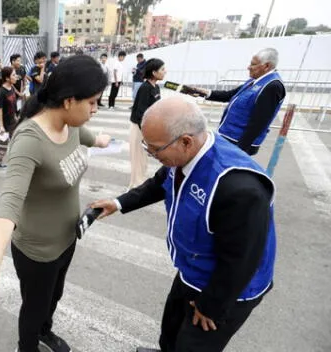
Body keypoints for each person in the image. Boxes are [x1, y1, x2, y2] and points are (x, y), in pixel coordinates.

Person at [0, 55, 112, 352]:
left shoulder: (73, 125)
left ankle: (44, 332)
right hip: (37, 251)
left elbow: (94, 139)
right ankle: (26, 346)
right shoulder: (30, 139)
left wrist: (117, 139)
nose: (95, 109)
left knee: (54, 297)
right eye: (92, 102)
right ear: (69, 100)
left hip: (67, 239)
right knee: (34, 306)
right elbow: (8, 204)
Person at [89, 97, 276, 352]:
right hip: (193, 267)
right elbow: (159, 183)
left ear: (186, 141)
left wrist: (211, 306)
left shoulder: (239, 188)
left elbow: (241, 260)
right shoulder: (183, 156)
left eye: (154, 149)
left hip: (226, 287)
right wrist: (118, 203)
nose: (152, 155)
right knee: (170, 331)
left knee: (192, 345)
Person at [194, 48, 285, 156]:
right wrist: (204, 93)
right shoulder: (256, 79)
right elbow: (230, 94)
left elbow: (258, 123)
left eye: (253, 64)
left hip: (238, 143)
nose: (248, 67)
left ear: (266, 66)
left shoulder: (272, 86)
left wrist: (240, 151)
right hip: (228, 136)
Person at [129, 58, 165, 189]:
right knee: (138, 158)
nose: (165, 72)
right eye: (162, 69)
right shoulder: (145, 88)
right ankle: (135, 186)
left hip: (146, 127)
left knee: (143, 159)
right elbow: (140, 113)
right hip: (139, 127)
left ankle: (139, 182)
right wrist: (145, 132)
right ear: (154, 73)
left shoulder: (156, 88)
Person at [0, 67, 18, 169]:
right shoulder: (1, 92)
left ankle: (15, 161)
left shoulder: (11, 87)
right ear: (7, 78)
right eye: (13, 75)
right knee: (2, 145)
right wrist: (1, 126)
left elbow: (13, 104)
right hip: (3, 123)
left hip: (12, 121)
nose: (16, 76)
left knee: (15, 141)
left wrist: (16, 116)